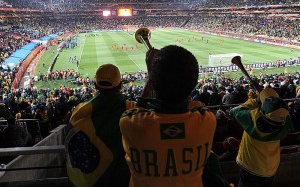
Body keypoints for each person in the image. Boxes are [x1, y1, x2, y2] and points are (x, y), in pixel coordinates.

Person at [120, 45, 216, 187]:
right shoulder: (207, 120)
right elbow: (192, 102)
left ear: (151, 84)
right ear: (194, 85)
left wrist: (151, 74)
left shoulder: (129, 123)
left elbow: (139, 108)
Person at [65, 64, 133, 187]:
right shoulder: (132, 110)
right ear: (120, 85)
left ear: (95, 85)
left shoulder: (80, 112)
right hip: (122, 180)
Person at [230, 88, 294, 187]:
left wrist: (256, 101)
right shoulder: (286, 125)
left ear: (262, 112)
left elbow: (234, 111)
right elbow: (278, 112)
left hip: (250, 167)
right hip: (270, 168)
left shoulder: (253, 120)